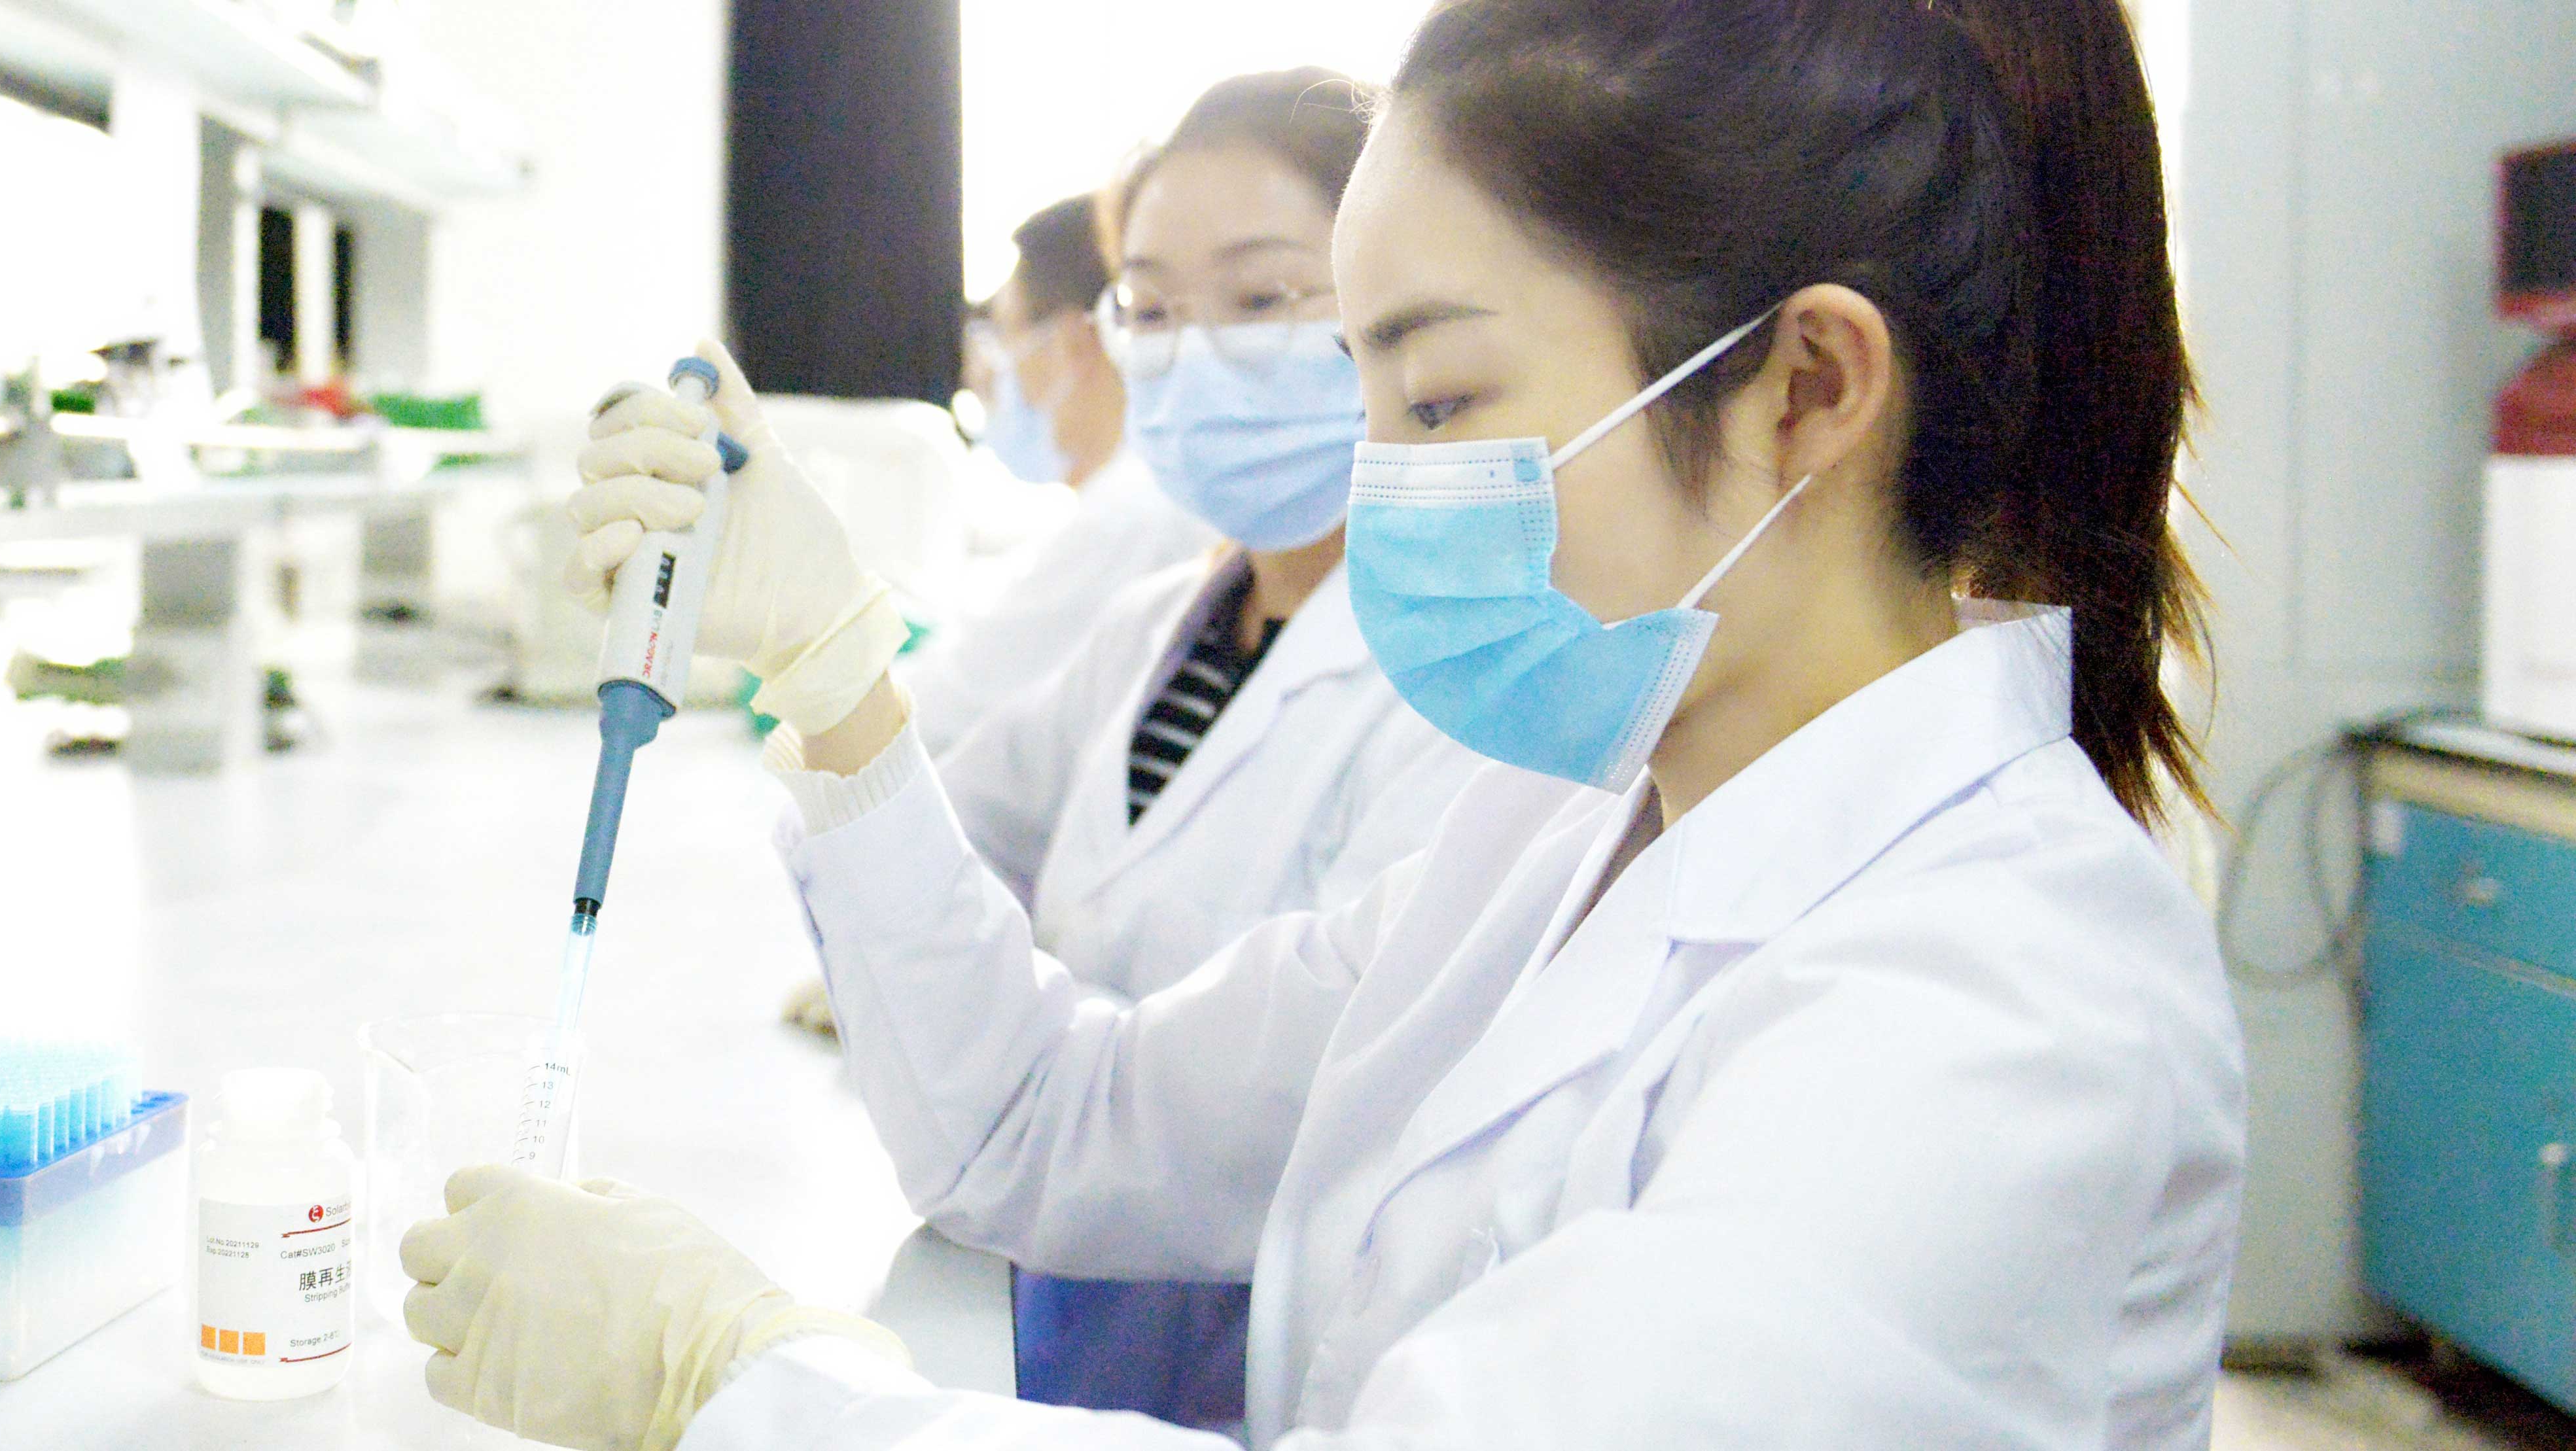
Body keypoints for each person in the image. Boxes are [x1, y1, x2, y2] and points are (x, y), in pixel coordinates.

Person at [404, 0, 2246, 1446]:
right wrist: (829, 671)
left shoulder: (2009, 1004)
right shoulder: (1557, 826)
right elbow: (1054, 1120)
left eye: (1439, 399)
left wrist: (733, 1384)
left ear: (1806, 387)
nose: (1380, 484)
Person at [806, 69, 1502, 1431]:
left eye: (1262, 296)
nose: (1195, 357)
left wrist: (828, 676)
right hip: (1049, 1285)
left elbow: (1167, 1119)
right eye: (1155, 310)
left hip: (1247, 1371)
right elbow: (941, 831)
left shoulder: (1462, 688)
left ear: (1396, 310)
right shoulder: (1161, 624)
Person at [903, 193, 1218, 752]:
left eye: (1004, 335)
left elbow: (932, 717)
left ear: (1075, 343)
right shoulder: (1126, 501)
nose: (983, 374)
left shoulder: (1132, 514)